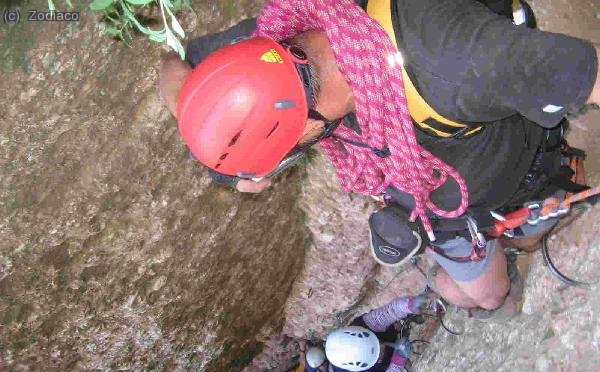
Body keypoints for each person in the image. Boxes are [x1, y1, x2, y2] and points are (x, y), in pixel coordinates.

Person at [159, 0, 600, 320]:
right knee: (487, 288)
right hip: (435, 208)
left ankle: (516, 239)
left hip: (503, 176)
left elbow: (587, 75)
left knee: (488, 293)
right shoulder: (273, 40)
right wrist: (228, 159)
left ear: (307, 127)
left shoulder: (455, 62)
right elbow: (173, 65)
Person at [324, 295, 426, 372]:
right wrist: (399, 359)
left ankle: (404, 323)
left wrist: (409, 305)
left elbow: (391, 311)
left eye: (377, 344)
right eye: (377, 356)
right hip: (388, 364)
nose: (382, 349)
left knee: (398, 318)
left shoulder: (364, 326)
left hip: (389, 333)